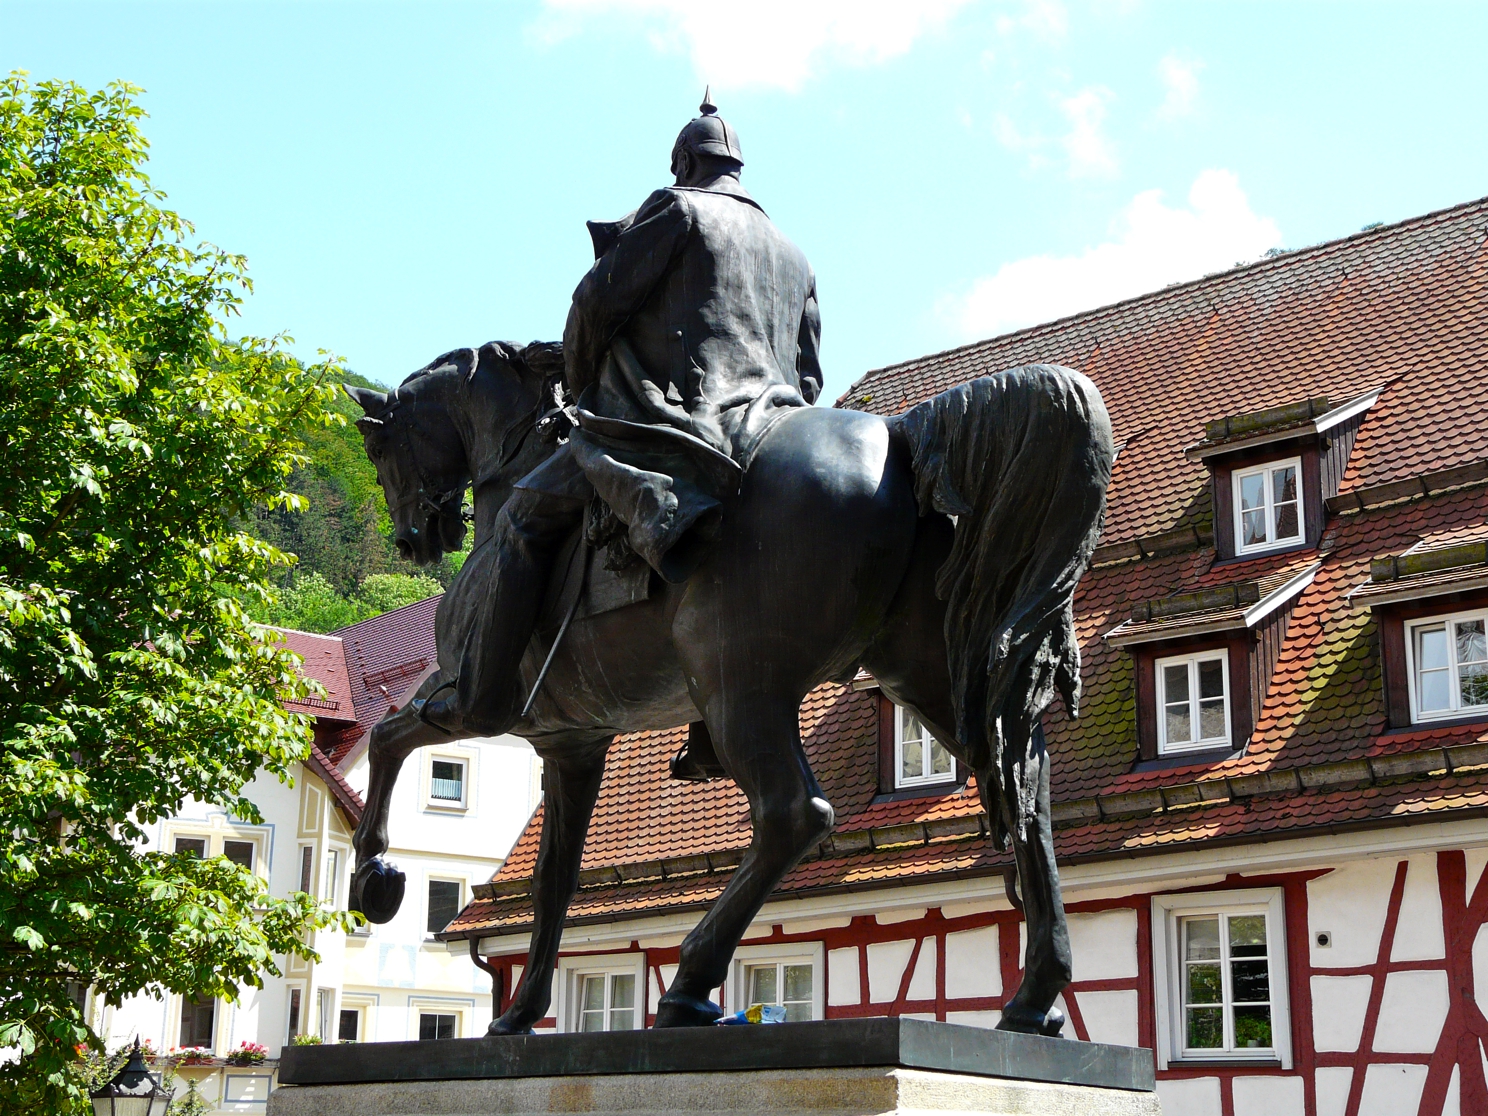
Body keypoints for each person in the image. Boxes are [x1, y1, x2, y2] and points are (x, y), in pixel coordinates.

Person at [418, 95, 822, 739]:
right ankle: (713, 729)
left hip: (679, 426)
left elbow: (593, 306)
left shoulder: (676, 209)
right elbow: (809, 375)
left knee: (521, 521)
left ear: (685, 161)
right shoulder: (794, 253)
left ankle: (483, 696)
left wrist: (583, 393)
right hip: (772, 430)